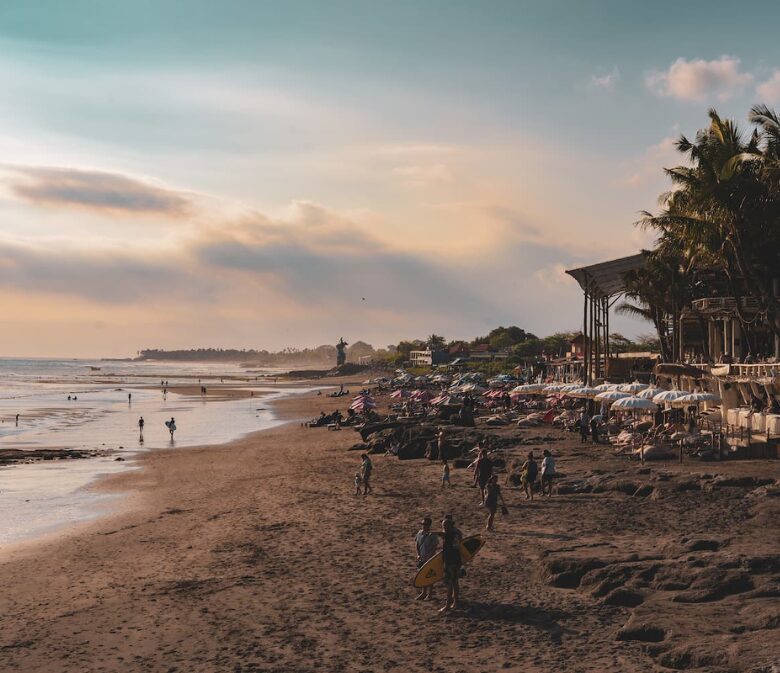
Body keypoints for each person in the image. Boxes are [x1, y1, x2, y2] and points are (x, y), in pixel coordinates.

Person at [433, 518, 461, 613]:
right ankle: (456, 603)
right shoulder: (456, 533)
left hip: (451, 562)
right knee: (454, 582)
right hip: (456, 561)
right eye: (443, 526)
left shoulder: (450, 534)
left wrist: (433, 533)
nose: (443, 528)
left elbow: (443, 534)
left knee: (449, 583)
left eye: (445, 526)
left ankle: (448, 605)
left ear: (450, 526)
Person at [414, 516, 439, 601]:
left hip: (430, 558)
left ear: (429, 525)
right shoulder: (419, 533)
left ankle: (430, 594)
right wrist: (418, 555)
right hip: (421, 558)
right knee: (422, 575)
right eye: (423, 524)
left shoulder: (433, 535)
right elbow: (417, 544)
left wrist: (429, 556)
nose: (423, 526)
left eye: (425, 524)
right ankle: (423, 592)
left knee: (430, 576)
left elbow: (434, 547)